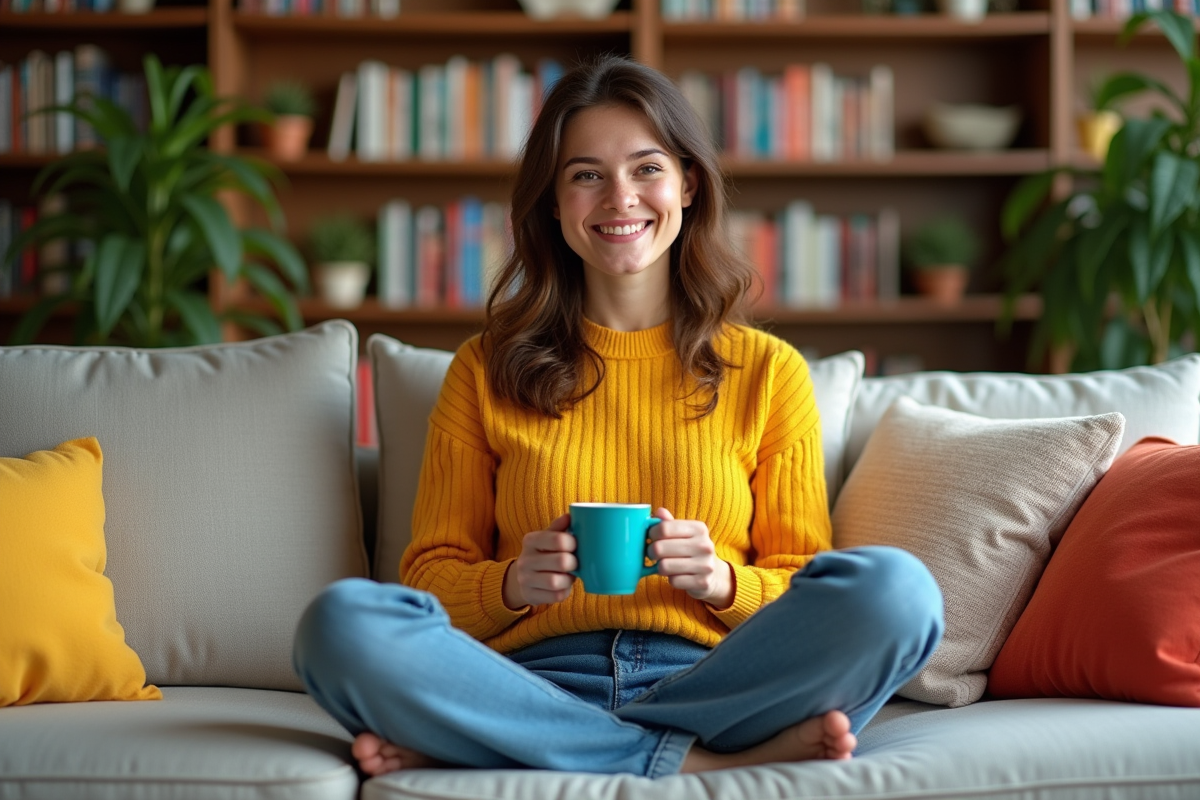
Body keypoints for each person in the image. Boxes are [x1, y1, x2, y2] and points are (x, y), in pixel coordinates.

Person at [292, 53, 944, 779]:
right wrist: (511, 582)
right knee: (340, 624)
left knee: (900, 591)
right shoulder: (485, 368)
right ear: (552, 201)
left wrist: (724, 581)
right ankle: (687, 764)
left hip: (716, 684)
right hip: (530, 680)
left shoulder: (767, 371)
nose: (619, 198)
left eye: (646, 169)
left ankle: (505, 746)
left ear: (688, 184)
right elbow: (428, 582)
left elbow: (801, 580)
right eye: (585, 175)